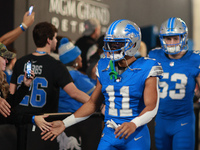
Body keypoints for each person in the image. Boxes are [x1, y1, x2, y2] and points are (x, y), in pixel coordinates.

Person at [41, 19, 163, 150]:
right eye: (110, 44)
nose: (111, 49)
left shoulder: (146, 67)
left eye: (117, 44)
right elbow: (93, 103)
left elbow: (152, 106)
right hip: (110, 134)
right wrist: (65, 123)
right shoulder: (104, 66)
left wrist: (133, 123)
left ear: (133, 44)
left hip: (135, 135)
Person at [7, 22, 89, 131]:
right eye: (54, 38)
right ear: (48, 40)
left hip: (19, 124)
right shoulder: (56, 66)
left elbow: (11, 95)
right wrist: (96, 104)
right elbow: (74, 93)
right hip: (44, 126)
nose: (56, 41)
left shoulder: (20, 62)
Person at [148, 17, 199, 150]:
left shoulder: (194, 59)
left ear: (183, 38)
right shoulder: (154, 56)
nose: (171, 42)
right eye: (168, 39)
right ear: (162, 39)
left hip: (183, 120)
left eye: (176, 38)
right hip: (160, 120)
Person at [58, 38, 102, 150]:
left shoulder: (60, 74)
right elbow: (97, 95)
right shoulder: (76, 75)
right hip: (78, 123)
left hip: (61, 120)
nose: (81, 58)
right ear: (74, 59)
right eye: (79, 55)